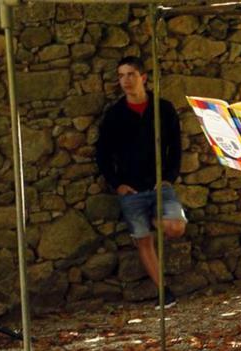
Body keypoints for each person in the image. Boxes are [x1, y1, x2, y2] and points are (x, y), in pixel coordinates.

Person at [96, 56, 186, 308]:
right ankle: (163, 292)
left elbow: (175, 148)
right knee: (143, 241)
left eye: (130, 74)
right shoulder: (115, 115)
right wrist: (117, 184)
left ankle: (155, 220)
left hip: (159, 186)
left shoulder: (163, 109)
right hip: (131, 190)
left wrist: (168, 178)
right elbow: (102, 153)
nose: (125, 80)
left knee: (176, 227)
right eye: (121, 75)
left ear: (143, 77)